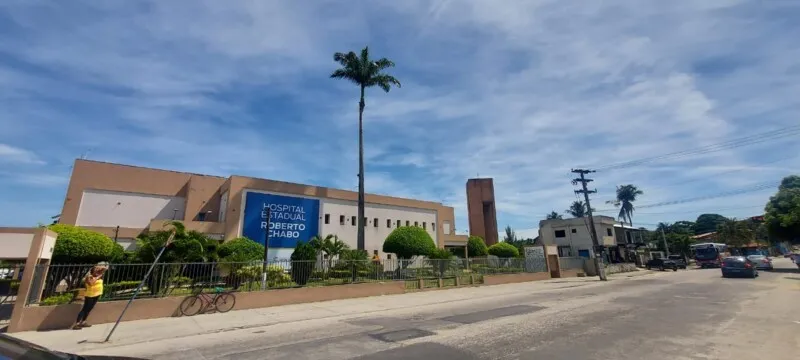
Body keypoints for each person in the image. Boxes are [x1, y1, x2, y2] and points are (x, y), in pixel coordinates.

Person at [71, 262, 108, 330]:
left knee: (89, 309)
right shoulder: (89, 277)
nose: (98, 271)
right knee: (85, 309)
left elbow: (105, 269)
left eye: (98, 270)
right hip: (90, 295)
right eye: (96, 270)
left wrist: (100, 268)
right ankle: (77, 324)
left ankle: (84, 321)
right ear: (93, 271)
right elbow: (91, 283)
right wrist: (97, 277)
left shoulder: (99, 275)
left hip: (97, 294)